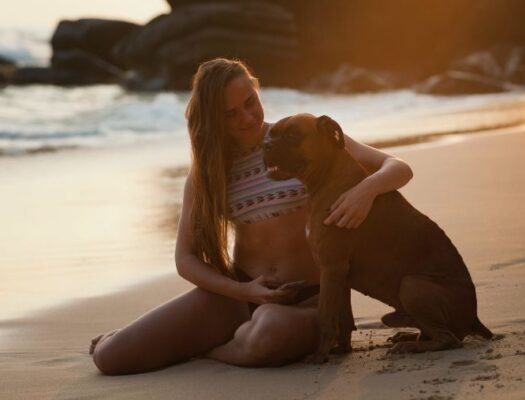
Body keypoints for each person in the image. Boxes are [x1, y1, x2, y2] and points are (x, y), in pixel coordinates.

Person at [89, 58, 413, 374]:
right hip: (238, 296)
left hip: (311, 301)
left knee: (267, 334)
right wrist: (244, 292)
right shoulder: (209, 173)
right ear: (214, 119)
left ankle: (209, 350)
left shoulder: (304, 137)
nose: (247, 118)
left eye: (250, 102)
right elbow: (184, 259)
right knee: (111, 358)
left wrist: (365, 191)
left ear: (257, 90)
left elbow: (398, 168)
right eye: (231, 114)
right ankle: (214, 339)